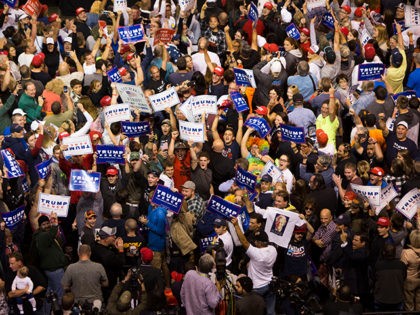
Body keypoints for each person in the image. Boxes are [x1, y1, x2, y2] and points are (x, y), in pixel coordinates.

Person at [231, 217, 277, 315]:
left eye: (256, 241)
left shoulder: (256, 253)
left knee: (255, 310)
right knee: (270, 312)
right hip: (269, 284)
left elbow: (244, 241)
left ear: (259, 242)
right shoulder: (273, 250)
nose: (254, 242)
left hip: (257, 288)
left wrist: (236, 225)